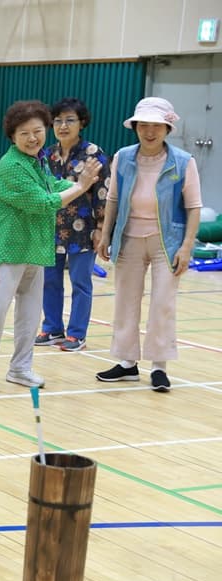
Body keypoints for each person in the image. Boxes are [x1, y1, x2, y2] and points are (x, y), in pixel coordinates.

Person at [0, 100, 103, 394]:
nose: (32, 138)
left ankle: (20, 368)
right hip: (9, 248)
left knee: (30, 312)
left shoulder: (36, 160)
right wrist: (81, 186)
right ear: (13, 137)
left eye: (37, 131)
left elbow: (51, 187)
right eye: (24, 133)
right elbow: (42, 203)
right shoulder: (10, 167)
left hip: (34, 246)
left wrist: (76, 183)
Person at [95, 97, 202, 392]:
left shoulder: (183, 161)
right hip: (128, 237)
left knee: (162, 304)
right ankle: (127, 364)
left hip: (167, 242)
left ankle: (159, 366)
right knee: (125, 302)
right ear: (136, 127)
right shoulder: (124, 157)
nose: (150, 132)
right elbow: (114, 198)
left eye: (156, 126)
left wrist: (186, 247)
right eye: (144, 125)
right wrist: (105, 235)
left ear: (167, 128)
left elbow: (194, 207)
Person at [35, 98, 110, 352]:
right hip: (51, 228)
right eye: (57, 121)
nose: (63, 126)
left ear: (82, 123)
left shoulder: (93, 154)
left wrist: (101, 228)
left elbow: (103, 193)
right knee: (50, 280)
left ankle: (77, 334)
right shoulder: (46, 155)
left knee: (80, 282)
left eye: (70, 120)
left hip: (83, 229)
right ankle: (53, 328)